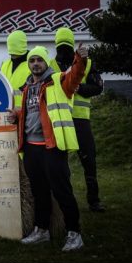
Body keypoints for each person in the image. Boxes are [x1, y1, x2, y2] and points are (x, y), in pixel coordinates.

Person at [7, 44, 88, 252]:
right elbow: (32, 111)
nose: (35, 64)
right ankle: (41, 230)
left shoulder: (58, 81)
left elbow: (75, 76)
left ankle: (74, 233)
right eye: (32, 61)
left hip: (52, 146)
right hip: (31, 148)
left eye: (39, 60)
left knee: (62, 191)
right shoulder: (27, 88)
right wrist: (17, 115)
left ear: (46, 62)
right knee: (39, 192)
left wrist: (80, 59)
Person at [50, 27, 105, 212]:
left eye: (66, 46)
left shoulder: (86, 63)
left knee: (89, 161)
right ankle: (60, 201)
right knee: (58, 162)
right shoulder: (50, 65)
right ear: (56, 45)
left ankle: (94, 200)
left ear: (72, 44)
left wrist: (77, 87)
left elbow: (97, 87)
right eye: (61, 46)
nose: (63, 50)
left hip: (80, 120)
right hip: (58, 120)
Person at [0, 30, 30, 111]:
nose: (13, 54)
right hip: (6, 113)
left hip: (26, 114)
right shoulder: (4, 65)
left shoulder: (33, 65)